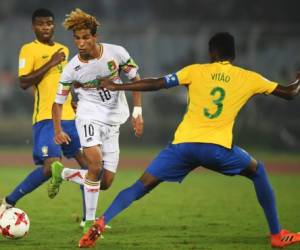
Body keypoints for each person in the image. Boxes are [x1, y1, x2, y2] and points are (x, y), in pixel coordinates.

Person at [79, 32, 300, 248]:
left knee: (141, 185)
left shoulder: (195, 71)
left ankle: (101, 221)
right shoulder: (249, 77)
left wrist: (119, 86)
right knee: (257, 171)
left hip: (183, 147)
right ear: (233, 54)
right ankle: (277, 235)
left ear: (211, 53)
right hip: (217, 149)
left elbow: (156, 84)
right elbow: (289, 93)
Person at [50, 8, 143, 236]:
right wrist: (58, 129)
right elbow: (57, 103)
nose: (80, 43)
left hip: (114, 120)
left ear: (94, 37)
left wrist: (137, 111)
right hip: (88, 116)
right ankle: (90, 222)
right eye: (77, 38)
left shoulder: (117, 53)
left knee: (106, 181)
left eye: (85, 37)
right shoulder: (72, 68)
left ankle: (62, 173)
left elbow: (136, 79)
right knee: (95, 166)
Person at [0, 8, 88, 222]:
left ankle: (89, 219)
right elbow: (23, 82)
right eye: (41, 24)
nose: (45, 27)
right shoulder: (29, 50)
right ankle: (8, 202)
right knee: (50, 167)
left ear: (53, 25)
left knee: (89, 167)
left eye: (49, 23)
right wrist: (50, 62)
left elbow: (66, 81)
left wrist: (75, 99)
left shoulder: (64, 49)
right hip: (46, 118)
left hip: (69, 117)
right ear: (33, 27)